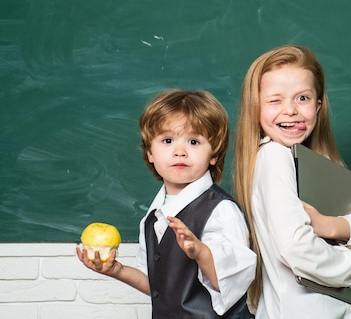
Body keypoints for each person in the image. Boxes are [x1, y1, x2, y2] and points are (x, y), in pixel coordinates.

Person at [77, 89, 256, 318]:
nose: (180, 151)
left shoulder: (221, 210)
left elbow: (232, 281)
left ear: (214, 154)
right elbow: (158, 287)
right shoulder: (153, 216)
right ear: (150, 152)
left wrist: (200, 252)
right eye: (168, 140)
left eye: (193, 141)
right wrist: (117, 270)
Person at [233, 45, 351, 319]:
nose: (290, 110)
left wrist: (330, 225)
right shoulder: (274, 156)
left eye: (302, 98)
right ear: (255, 108)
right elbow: (297, 248)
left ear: (318, 105)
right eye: (275, 100)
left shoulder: (313, 164)